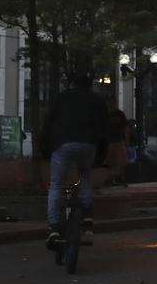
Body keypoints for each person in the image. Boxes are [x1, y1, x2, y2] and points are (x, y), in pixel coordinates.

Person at [40, 74, 108, 250]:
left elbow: (48, 124)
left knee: (55, 184)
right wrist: (101, 156)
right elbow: (104, 129)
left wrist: (45, 150)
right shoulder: (97, 101)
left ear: (71, 83)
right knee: (85, 175)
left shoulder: (61, 98)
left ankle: (54, 227)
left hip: (63, 143)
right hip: (89, 144)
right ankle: (86, 216)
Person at [105, 108, 130, 186]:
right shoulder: (105, 113)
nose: (111, 104)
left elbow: (125, 127)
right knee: (109, 161)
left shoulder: (120, 114)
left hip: (119, 140)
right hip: (109, 141)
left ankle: (121, 179)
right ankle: (110, 179)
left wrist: (126, 139)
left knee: (122, 161)